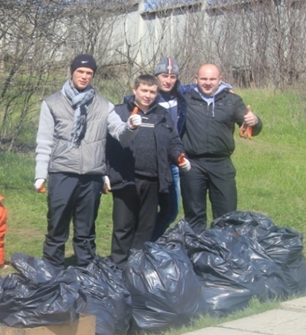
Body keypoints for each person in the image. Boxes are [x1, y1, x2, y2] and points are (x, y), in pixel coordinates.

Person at [34, 54, 139, 269]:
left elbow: (120, 134)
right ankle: (52, 270)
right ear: (72, 73)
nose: (84, 76)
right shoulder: (52, 103)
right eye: (80, 72)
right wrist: (40, 175)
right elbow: (44, 142)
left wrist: (131, 127)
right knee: (57, 226)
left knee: (86, 229)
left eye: (89, 73)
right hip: (62, 172)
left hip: (92, 175)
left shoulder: (103, 105)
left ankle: (86, 271)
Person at [106, 75, 190, 264]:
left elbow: (173, 142)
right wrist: (106, 173)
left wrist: (179, 157)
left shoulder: (162, 115)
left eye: (152, 92)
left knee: (145, 227)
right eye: (144, 90)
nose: (148, 95)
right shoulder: (119, 112)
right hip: (125, 178)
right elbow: (107, 146)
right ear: (134, 90)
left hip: (153, 179)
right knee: (123, 226)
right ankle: (118, 266)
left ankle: (137, 267)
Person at [179, 63, 262, 232]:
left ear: (220, 80)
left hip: (221, 163)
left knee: (227, 214)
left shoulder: (232, 100)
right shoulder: (185, 99)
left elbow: (247, 123)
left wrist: (255, 121)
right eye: (203, 79)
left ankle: (224, 252)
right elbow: (160, 95)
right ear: (196, 79)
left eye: (212, 79)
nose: (208, 83)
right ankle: (197, 251)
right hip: (193, 164)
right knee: (194, 214)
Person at [152, 57, 187, 240]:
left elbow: (205, 86)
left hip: (172, 163)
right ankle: (137, 249)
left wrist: (224, 86)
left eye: (172, 76)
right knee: (146, 212)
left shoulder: (180, 97)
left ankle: (151, 244)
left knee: (171, 211)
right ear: (156, 76)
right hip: (150, 163)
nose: (168, 80)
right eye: (164, 75)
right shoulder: (148, 96)